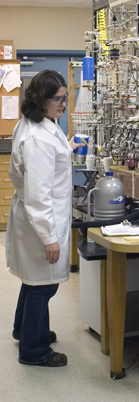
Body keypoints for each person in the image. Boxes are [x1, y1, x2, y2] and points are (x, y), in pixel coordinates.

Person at [11, 71, 78, 368]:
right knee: (43, 285)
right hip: (41, 216)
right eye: (58, 99)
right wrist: (49, 238)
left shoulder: (35, 123)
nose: (63, 104)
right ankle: (34, 350)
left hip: (36, 214)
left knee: (34, 278)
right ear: (41, 98)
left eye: (65, 97)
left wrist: (68, 147)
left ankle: (24, 330)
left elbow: (51, 156)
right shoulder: (38, 138)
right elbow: (38, 196)